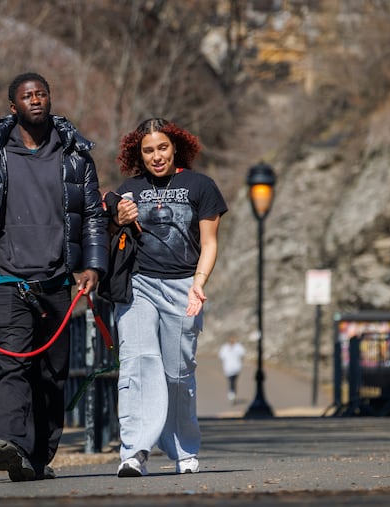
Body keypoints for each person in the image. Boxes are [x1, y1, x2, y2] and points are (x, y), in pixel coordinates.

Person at [0, 72, 108, 482]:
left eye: (42, 94)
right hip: (9, 280)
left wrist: (93, 266)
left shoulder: (76, 155)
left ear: (49, 100)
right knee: (12, 363)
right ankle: (7, 442)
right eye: (27, 96)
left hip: (58, 281)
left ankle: (35, 457)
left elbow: (93, 218)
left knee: (52, 374)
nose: (36, 100)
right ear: (13, 107)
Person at [110, 118, 228, 477]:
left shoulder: (200, 186)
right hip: (139, 284)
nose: (157, 156)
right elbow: (108, 235)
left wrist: (199, 282)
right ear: (138, 154)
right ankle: (134, 451)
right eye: (148, 150)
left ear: (175, 146)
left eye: (162, 147)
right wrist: (118, 217)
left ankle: (183, 449)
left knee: (178, 371)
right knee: (137, 362)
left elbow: (209, 243)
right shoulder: (129, 189)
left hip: (183, 287)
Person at [218, 335, 247, 403]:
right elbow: (221, 356)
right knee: (231, 381)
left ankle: (232, 393)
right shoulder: (225, 347)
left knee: (233, 381)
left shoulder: (238, 347)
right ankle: (232, 393)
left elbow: (243, 354)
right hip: (228, 368)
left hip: (236, 368)